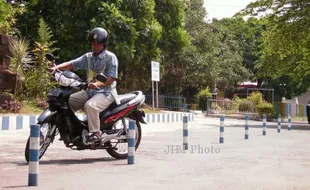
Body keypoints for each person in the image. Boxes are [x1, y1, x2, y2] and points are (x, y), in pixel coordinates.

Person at [49, 27, 118, 143]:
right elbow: (72, 64)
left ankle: (96, 133)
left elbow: (111, 78)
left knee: (90, 106)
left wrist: (96, 84)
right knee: (66, 102)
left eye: (98, 43)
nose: (95, 46)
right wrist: (56, 68)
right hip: (89, 91)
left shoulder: (110, 58)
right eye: (93, 43)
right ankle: (71, 129)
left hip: (106, 92)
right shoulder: (88, 57)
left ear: (104, 44)